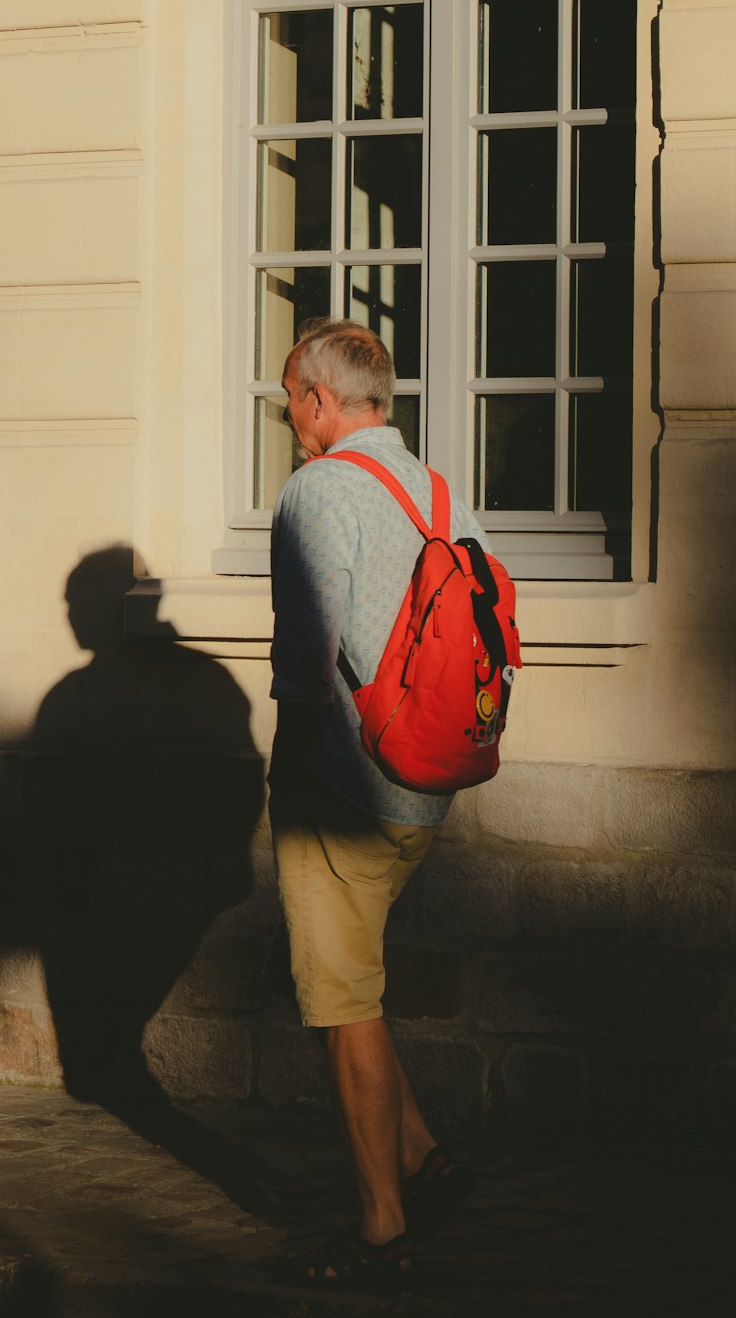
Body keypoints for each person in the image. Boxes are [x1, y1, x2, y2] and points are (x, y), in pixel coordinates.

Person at [268, 317, 485, 1293]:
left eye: (289, 395)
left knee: (339, 999)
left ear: (319, 399)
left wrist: (289, 773)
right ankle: (423, 1154)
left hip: (341, 790)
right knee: (355, 981)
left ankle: (381, 1225)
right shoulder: (436, 488)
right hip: (430, 780)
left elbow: (306, 659)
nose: (286, 412)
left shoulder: (317, 489)